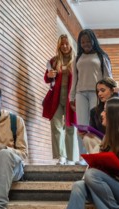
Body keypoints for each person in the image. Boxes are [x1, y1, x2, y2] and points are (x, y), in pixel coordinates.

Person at [69, 29, 113, 165]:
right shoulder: (77, 58)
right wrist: (71, 98)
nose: (86, 44)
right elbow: (74, 79)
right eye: (83, 42)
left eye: (88, 41)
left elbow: (108, 77)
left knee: (96, 125)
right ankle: (83, 157)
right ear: (80, 43)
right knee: (82, 127)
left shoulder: (101, 56)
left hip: (96, 94)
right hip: (80, 93)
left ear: (93, 41)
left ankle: (96, 153)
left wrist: (110, 94)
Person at [42, 34, 78, 165]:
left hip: (71, 99)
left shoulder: (76, 61)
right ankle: (61, 156)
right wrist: (49, 75)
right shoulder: (54, 61)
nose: (64, 46)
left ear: (70, 45)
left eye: (66, 43)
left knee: (70, 127)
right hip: (56, 98)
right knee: (56, 126)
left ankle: (71, 158)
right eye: (62, 44)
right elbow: (47, 79)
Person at [80, 77, 119, 154]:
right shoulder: (94, 111)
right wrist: (85, 134)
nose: (99, 94)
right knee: (87, 138)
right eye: (98, 91)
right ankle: (98, 161)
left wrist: (117, 94)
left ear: (112, 90)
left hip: (117, 142)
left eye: (102, 90)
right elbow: (92, 131)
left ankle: (98, 161)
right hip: (102, 142)